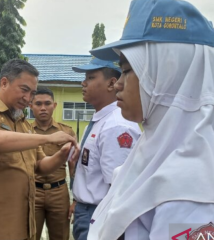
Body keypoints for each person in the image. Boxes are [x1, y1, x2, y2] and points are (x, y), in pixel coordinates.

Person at [87, 0, 214, 239]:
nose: (118, 83)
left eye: (127, 70)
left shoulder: (199, 198)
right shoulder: (157, 152)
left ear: (168, 75)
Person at [0, 59, 79, 240]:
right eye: (24, 90)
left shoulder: (24, 125)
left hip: (22, 227)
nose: (28, 98)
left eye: (32, 93)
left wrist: (62, 155)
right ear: (4, 83)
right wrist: (48, 138)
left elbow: (41, 165)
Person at [69, 57, 142, 240]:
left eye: (91, 77)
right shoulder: (100, 121)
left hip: (99, 215)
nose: (83, 83)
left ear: (111, 83)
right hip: (87, 211)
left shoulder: (116, 125)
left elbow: (118, 187)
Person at [30, 87, 75, 240]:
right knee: (29, 235)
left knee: (61, 236)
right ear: (31, 106)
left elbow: (73, 166)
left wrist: (75, 199)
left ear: (54, 106)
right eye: (38, 104)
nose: (43, 108)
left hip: (59, 192)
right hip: (32, 192)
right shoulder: (24, 132)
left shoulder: (66, 132)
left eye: (47, 103)